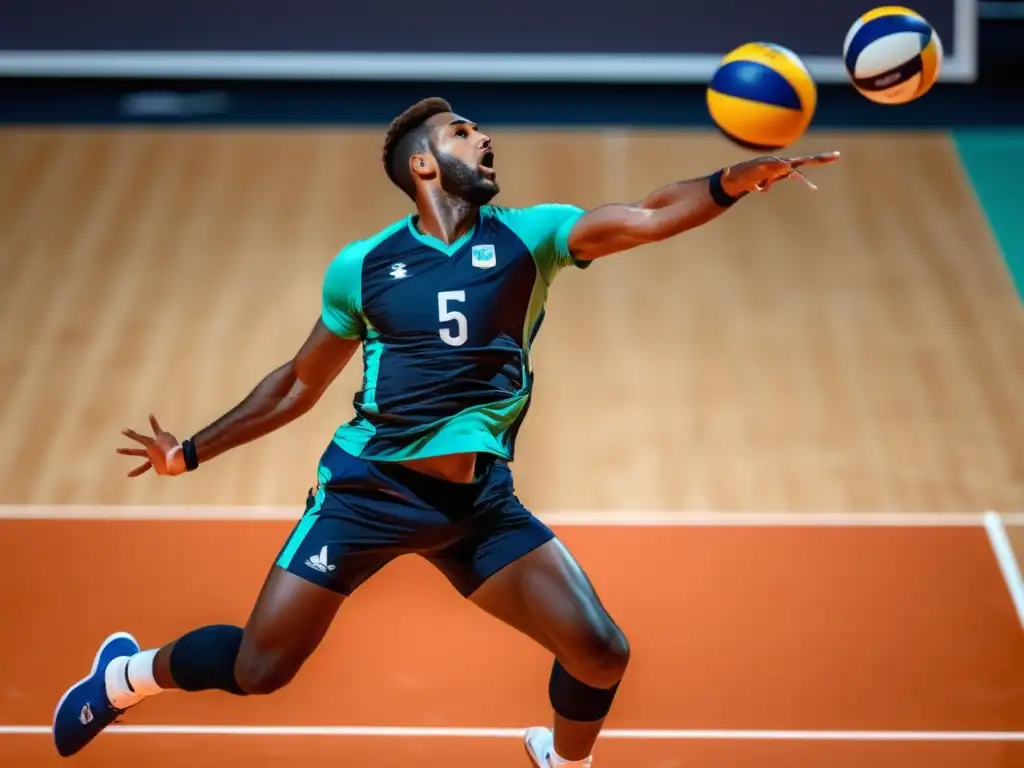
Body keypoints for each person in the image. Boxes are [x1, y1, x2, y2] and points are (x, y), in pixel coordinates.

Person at [52, 97, 838, 765]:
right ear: (423, 166)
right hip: (366, 492)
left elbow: (645, 216)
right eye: (463, 132)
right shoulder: (363, 266)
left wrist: (732, 181)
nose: (484, 138)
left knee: (601, 652)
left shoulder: (531, 238)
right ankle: (127, 677)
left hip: (476, 504)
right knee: (261, 671)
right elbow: (298, 381)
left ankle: (560, 759)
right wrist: (188, 452)